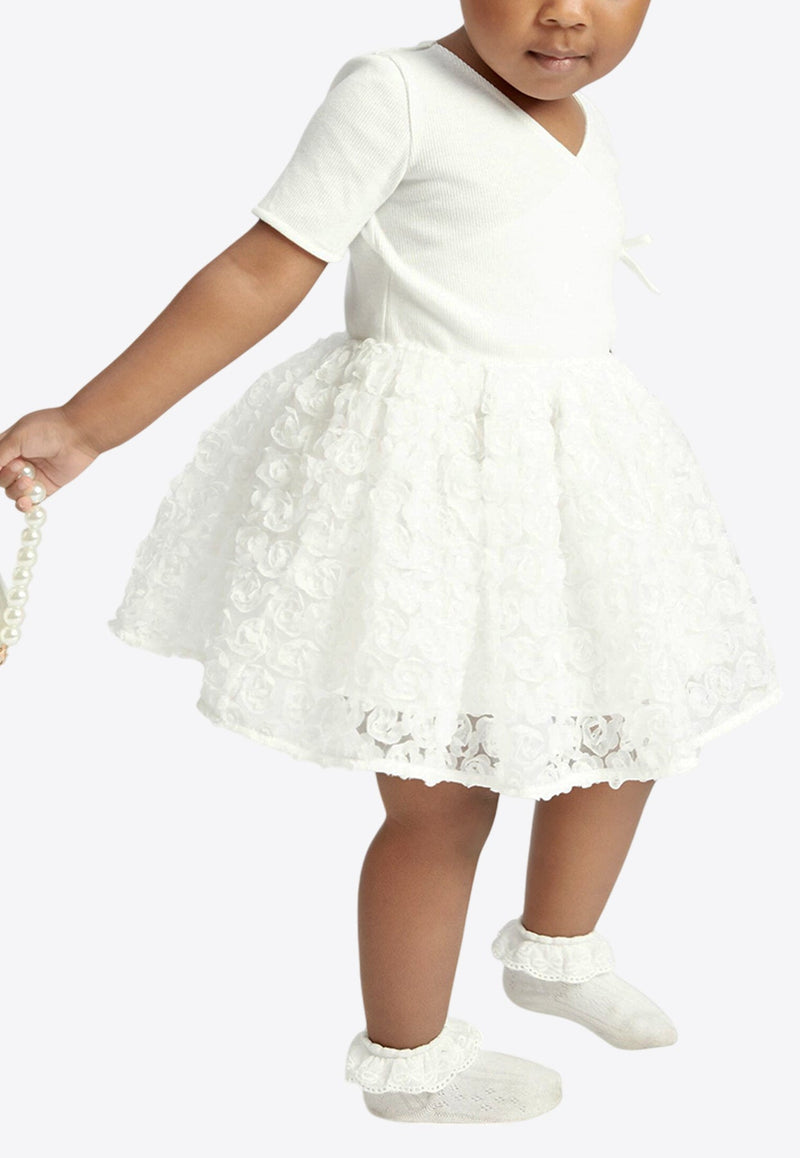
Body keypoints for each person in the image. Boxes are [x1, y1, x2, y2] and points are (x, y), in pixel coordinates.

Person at [0, 1, 783, 1126]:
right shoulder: (396, 92)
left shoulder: (580, 112)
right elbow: (260, 270)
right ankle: (410, 1063)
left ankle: (556, 952)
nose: (568, 13)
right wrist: (88, 424)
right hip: (432, 491)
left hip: (571, 480)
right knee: (443, 796)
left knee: (629, 723)